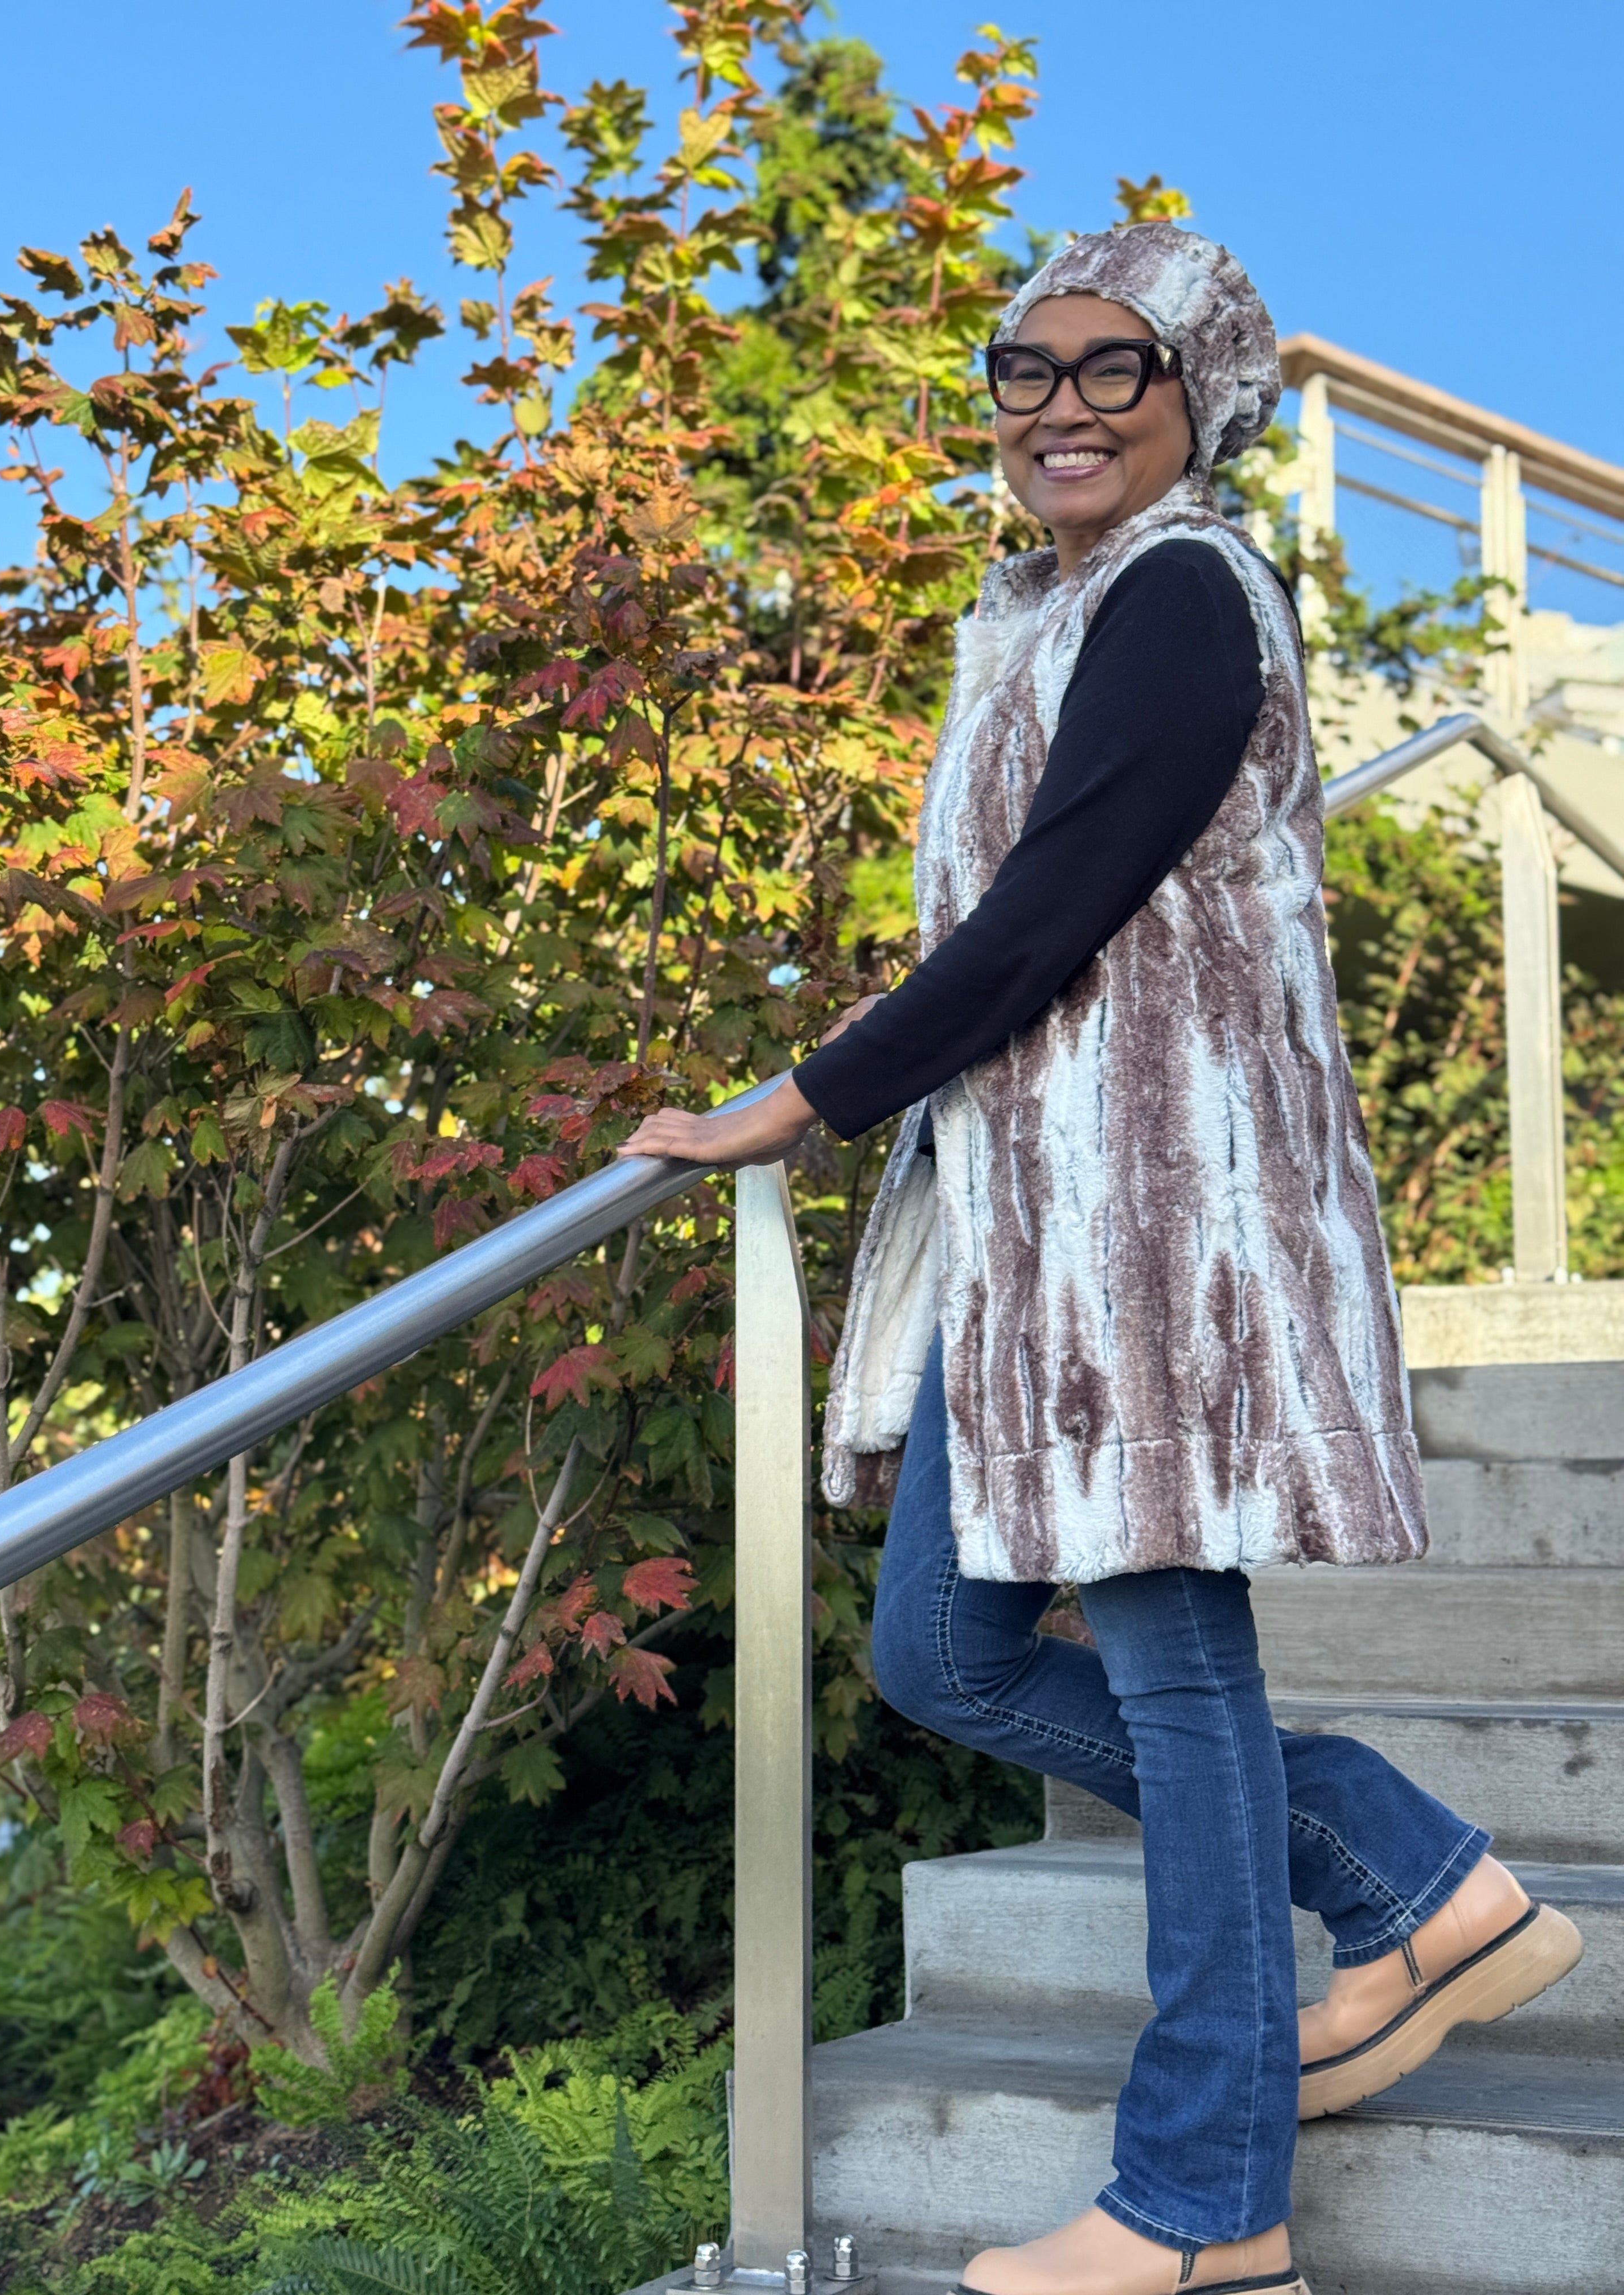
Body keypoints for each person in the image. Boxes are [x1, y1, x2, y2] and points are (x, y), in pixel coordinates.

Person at [619, 222, 1582, 2295]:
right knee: (942, 1654)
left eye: (1112, 368)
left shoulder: (1183, 591)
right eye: (1024, 369)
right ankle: (1412, 1877)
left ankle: (1206, 2198)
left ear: (1198, 394)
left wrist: (801, 1098)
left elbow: (1054, 908)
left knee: (1169, 1654)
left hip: (1156, 1214)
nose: (1061, 403)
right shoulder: (1044, 612)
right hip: (1033, 1219)